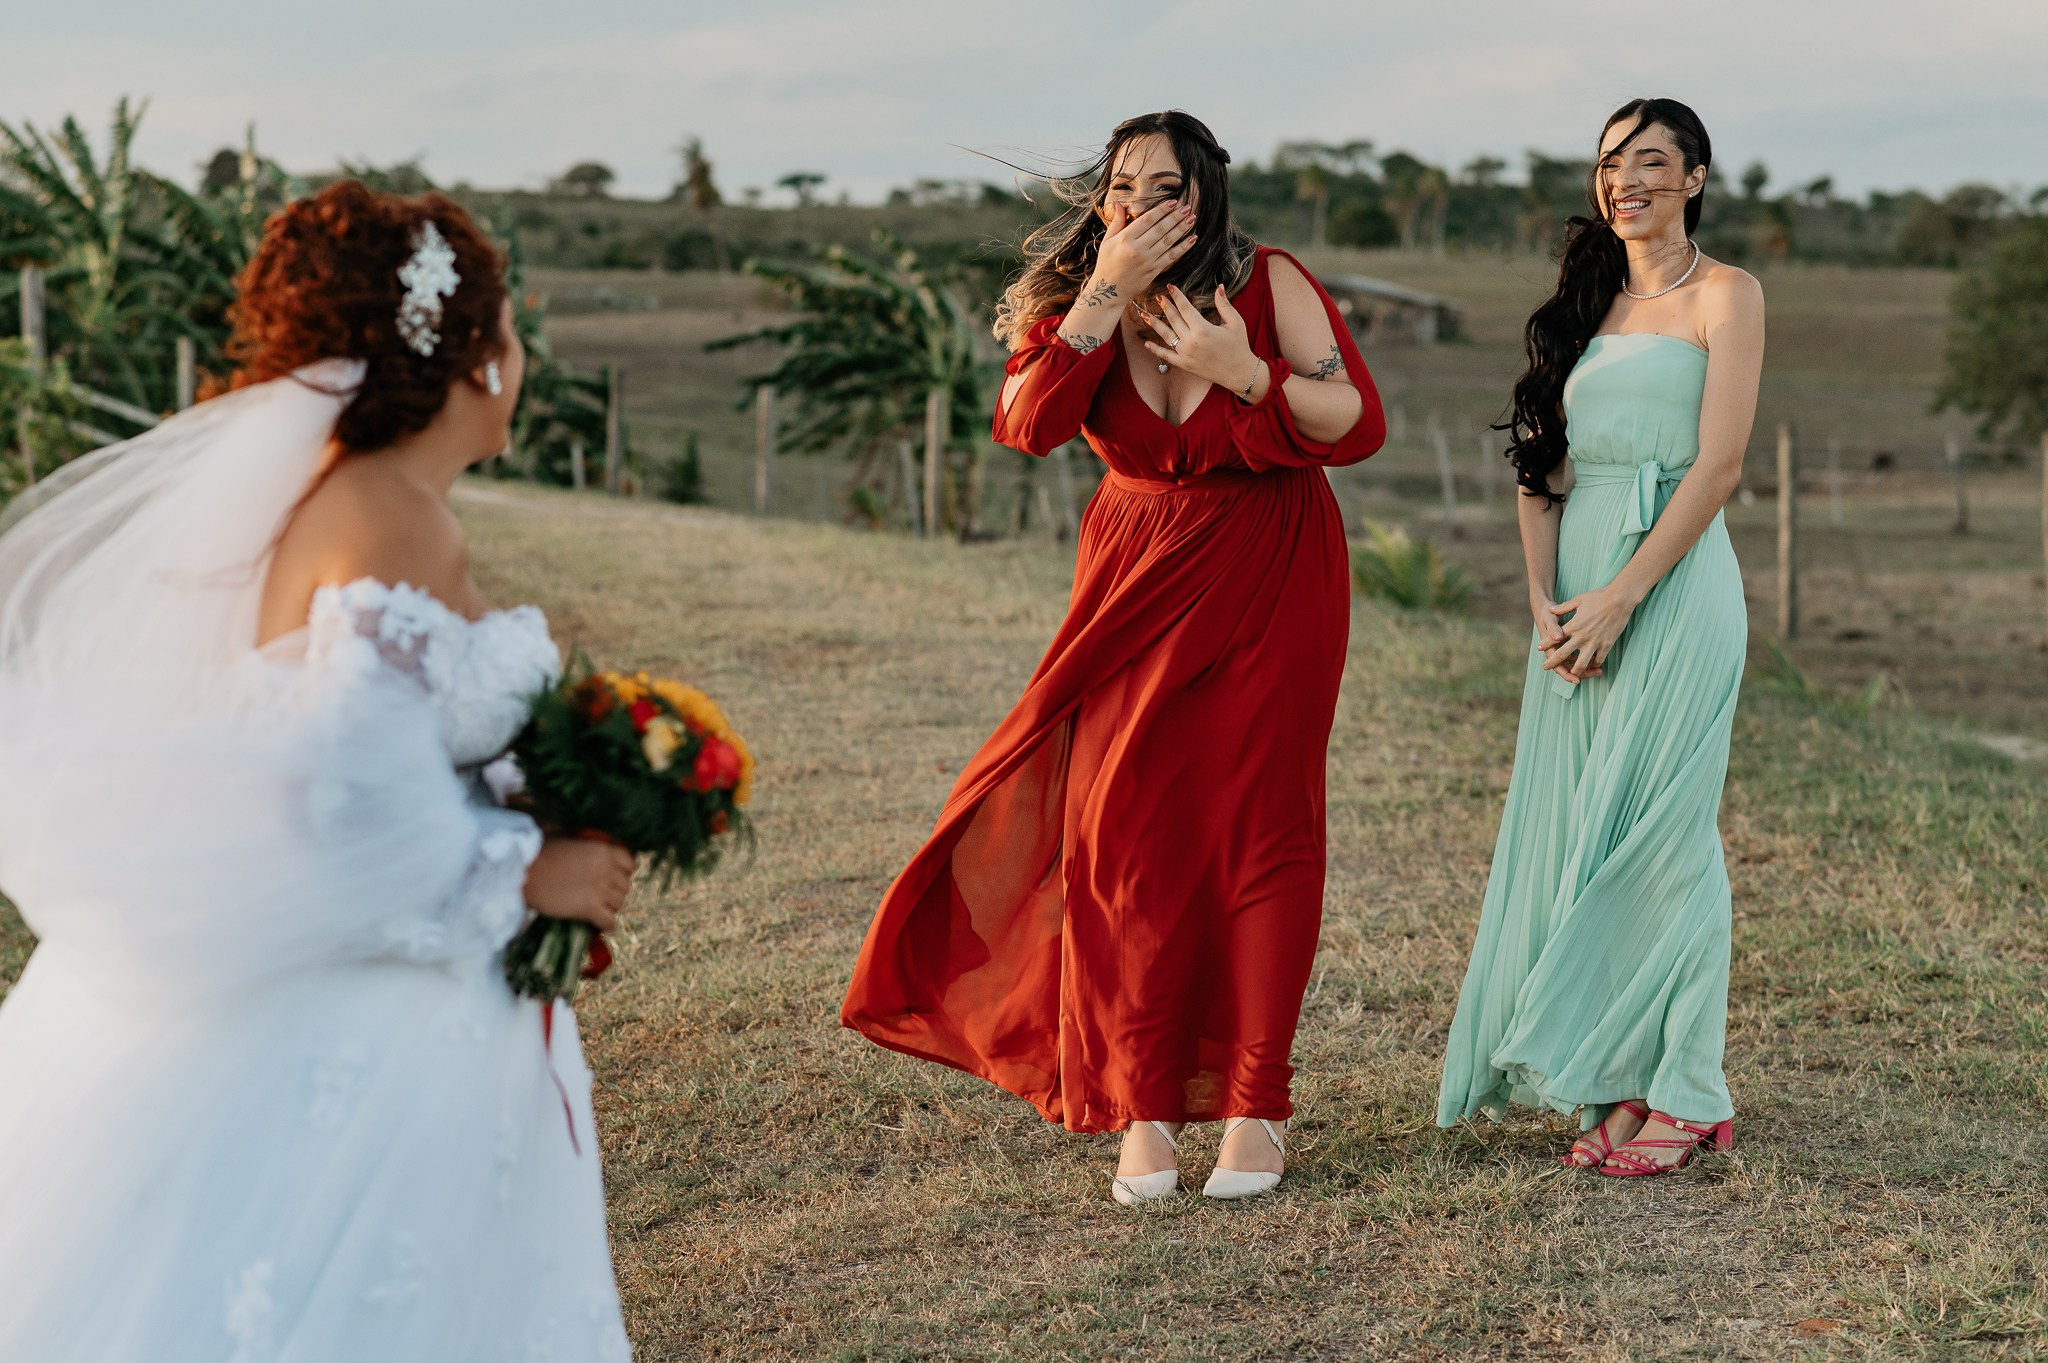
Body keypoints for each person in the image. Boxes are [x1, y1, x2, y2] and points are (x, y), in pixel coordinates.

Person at [0, 182, 636, 1358]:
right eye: (511, 332)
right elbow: (338, 802)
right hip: (374, 1041)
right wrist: (523, 872)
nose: (519, 358)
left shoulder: (315, 493)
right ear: (477, 356)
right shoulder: (392, 515)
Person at [842, 111, 1386, 1204]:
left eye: (1167, 185)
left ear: (1205, 194)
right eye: (1125, 186)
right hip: (1134, 582)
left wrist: (1243, 372)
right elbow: (1026, 423)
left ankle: (1255, 1110)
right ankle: (1141, 1105)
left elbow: (1356, 422)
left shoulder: (1268, 281)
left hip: (1271, 569)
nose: (1144, 203)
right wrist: (1100, 295)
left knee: (1261, 837)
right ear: (1105, 201)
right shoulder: (1071, 303)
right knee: (1122, 835)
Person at [1436, 99, 1766, 1177]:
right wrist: (1545, 596)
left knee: (1665, 834)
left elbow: (1715, 468)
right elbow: (1541, 468)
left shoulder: (1727, 295)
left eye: (1652, 160)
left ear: (1695, 177)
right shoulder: (1581, 308)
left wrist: (1624, 593)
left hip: (1670, 587)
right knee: (1588, 832)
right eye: (1611, 161)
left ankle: (1690, 1090)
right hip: (1575, 594)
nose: (1626, 178)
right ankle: (1626, 1073)